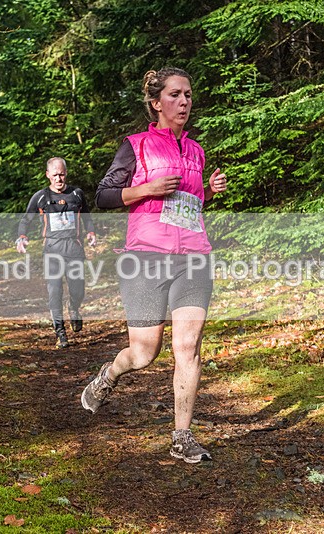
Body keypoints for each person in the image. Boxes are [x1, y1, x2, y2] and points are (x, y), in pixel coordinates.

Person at [80, 67, 227, 464]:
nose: (184, 102)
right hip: (145, 258)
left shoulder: (195, 150)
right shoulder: (136, 144)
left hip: (193, 258)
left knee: (188, 346)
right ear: (156, 102)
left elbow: (188, 206)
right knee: (145, 353)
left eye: (189, 95)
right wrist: (145, 188)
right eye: (176, 95)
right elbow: (104, 196)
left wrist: (208, 192)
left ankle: (182, 436)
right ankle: (109, 374)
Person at [17, 157, 96, 348]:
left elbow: (87, 217)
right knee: (55, 291)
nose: (58, 179)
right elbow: (25, 220)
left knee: (78, 290)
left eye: (61, 174)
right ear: (47, 175)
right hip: (52, 250)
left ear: (66, 173)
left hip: (74, 249)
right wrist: (22, 237)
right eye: (54, 175)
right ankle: (60, 332)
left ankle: (74, 307)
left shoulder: (77, 194)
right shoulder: (41, 197)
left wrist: (91, 232)